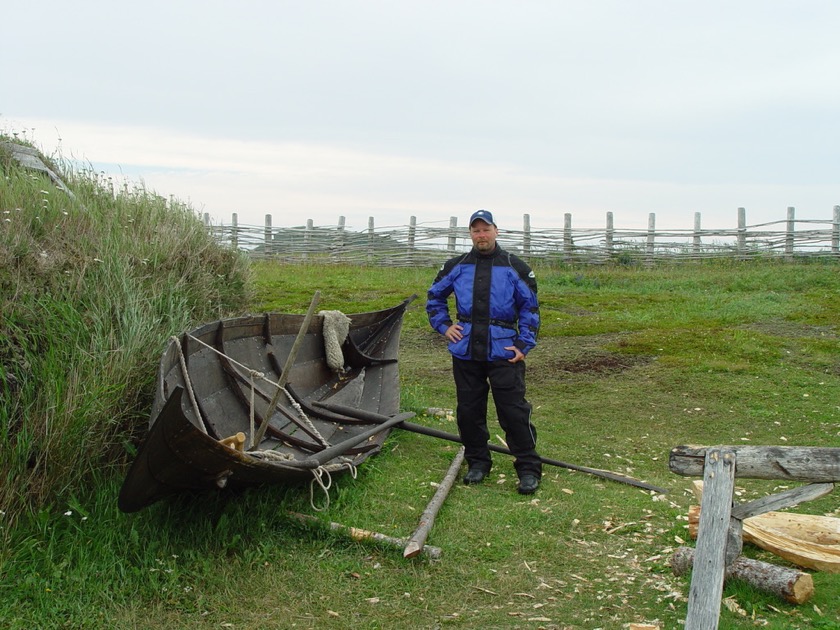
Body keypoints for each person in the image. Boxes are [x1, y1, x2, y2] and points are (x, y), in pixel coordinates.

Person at [426, 209, 542, 495]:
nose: (481, 235)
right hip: (466, 351)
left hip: (504, 351)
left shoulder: (515, 266)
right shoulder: (457, 265)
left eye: (485, 229)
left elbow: (530, 308)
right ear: (470, 234)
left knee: (513, 412)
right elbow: (435, 297)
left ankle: (528, 467)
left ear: (496, 231)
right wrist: (444, 326)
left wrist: (524, 345)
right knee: (469, 411)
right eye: (476, 230)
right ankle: (478, 462)